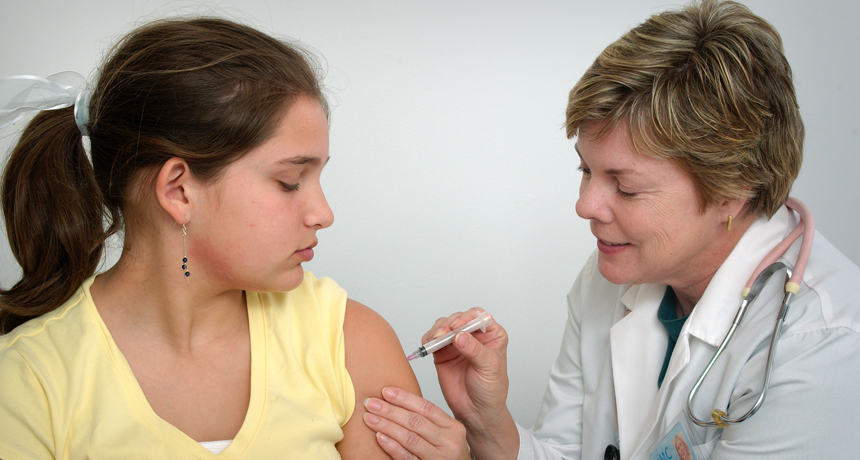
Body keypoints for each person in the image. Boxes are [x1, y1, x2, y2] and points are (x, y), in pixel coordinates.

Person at [361, 0, 860, 459]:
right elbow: (567, 452)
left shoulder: (821, 343)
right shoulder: (613, 271)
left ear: (732, 188)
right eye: (586, 170)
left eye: (626, 187)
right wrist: (486, 425)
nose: (584, 206)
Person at [0, 18, 419, 459]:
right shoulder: (26, 383)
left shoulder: (349, 340)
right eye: (291, 181)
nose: (324, 214)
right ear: (179, 191)